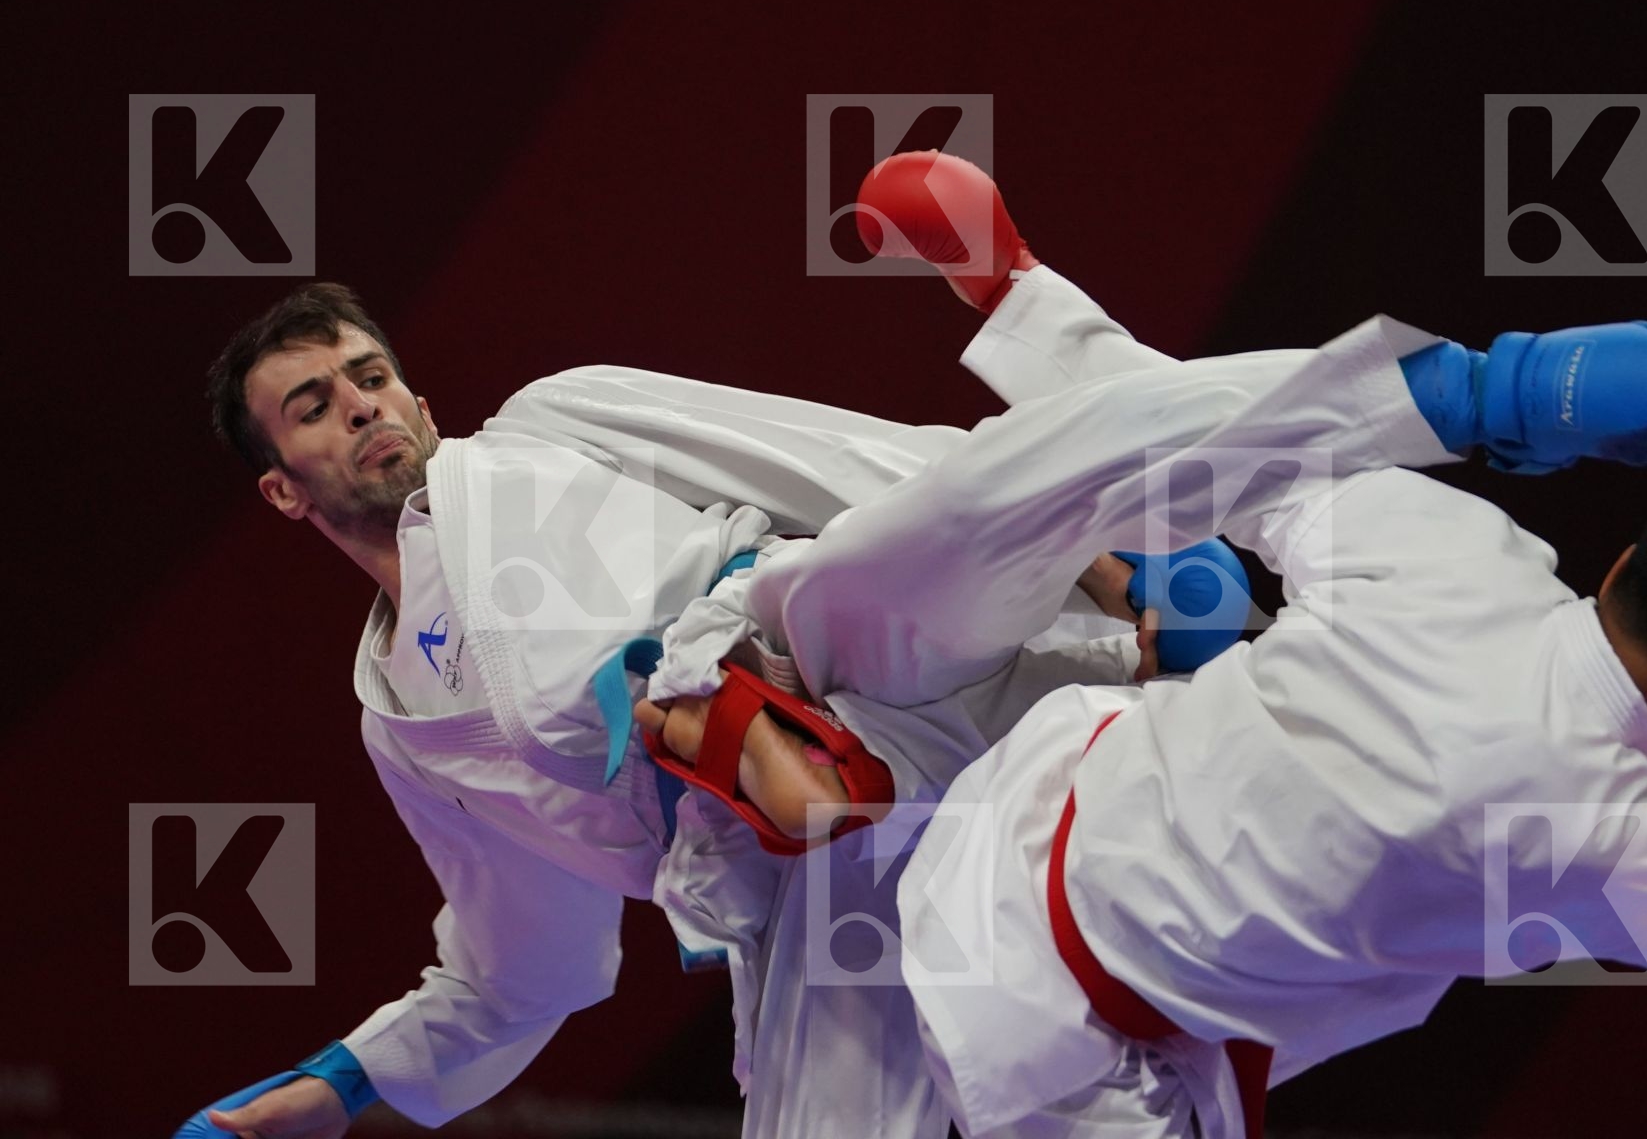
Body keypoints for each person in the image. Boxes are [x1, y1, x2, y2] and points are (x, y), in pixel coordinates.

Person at [638, 153, 1647, 1138]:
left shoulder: (1450, 548)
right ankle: (776, 693)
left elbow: (1221, 428)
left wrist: (1032, 310)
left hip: (1012, 819)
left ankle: (1025, 312)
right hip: (1064, 1061)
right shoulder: (1604, 842)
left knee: (1087, 480)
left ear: (1623, 564)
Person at [177, 278, 1156, 1137]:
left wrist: (1107, 562)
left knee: (858, 600)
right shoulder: (404, 726)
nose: (359, 406)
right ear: (280, 490)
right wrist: (345, 1084)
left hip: (843, 655)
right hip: (795, 876)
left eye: (372, 376)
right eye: (315, 405)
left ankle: (1147, 587)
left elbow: (829, 460)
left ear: (421, 402)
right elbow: (521, 961)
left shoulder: (551, 426)